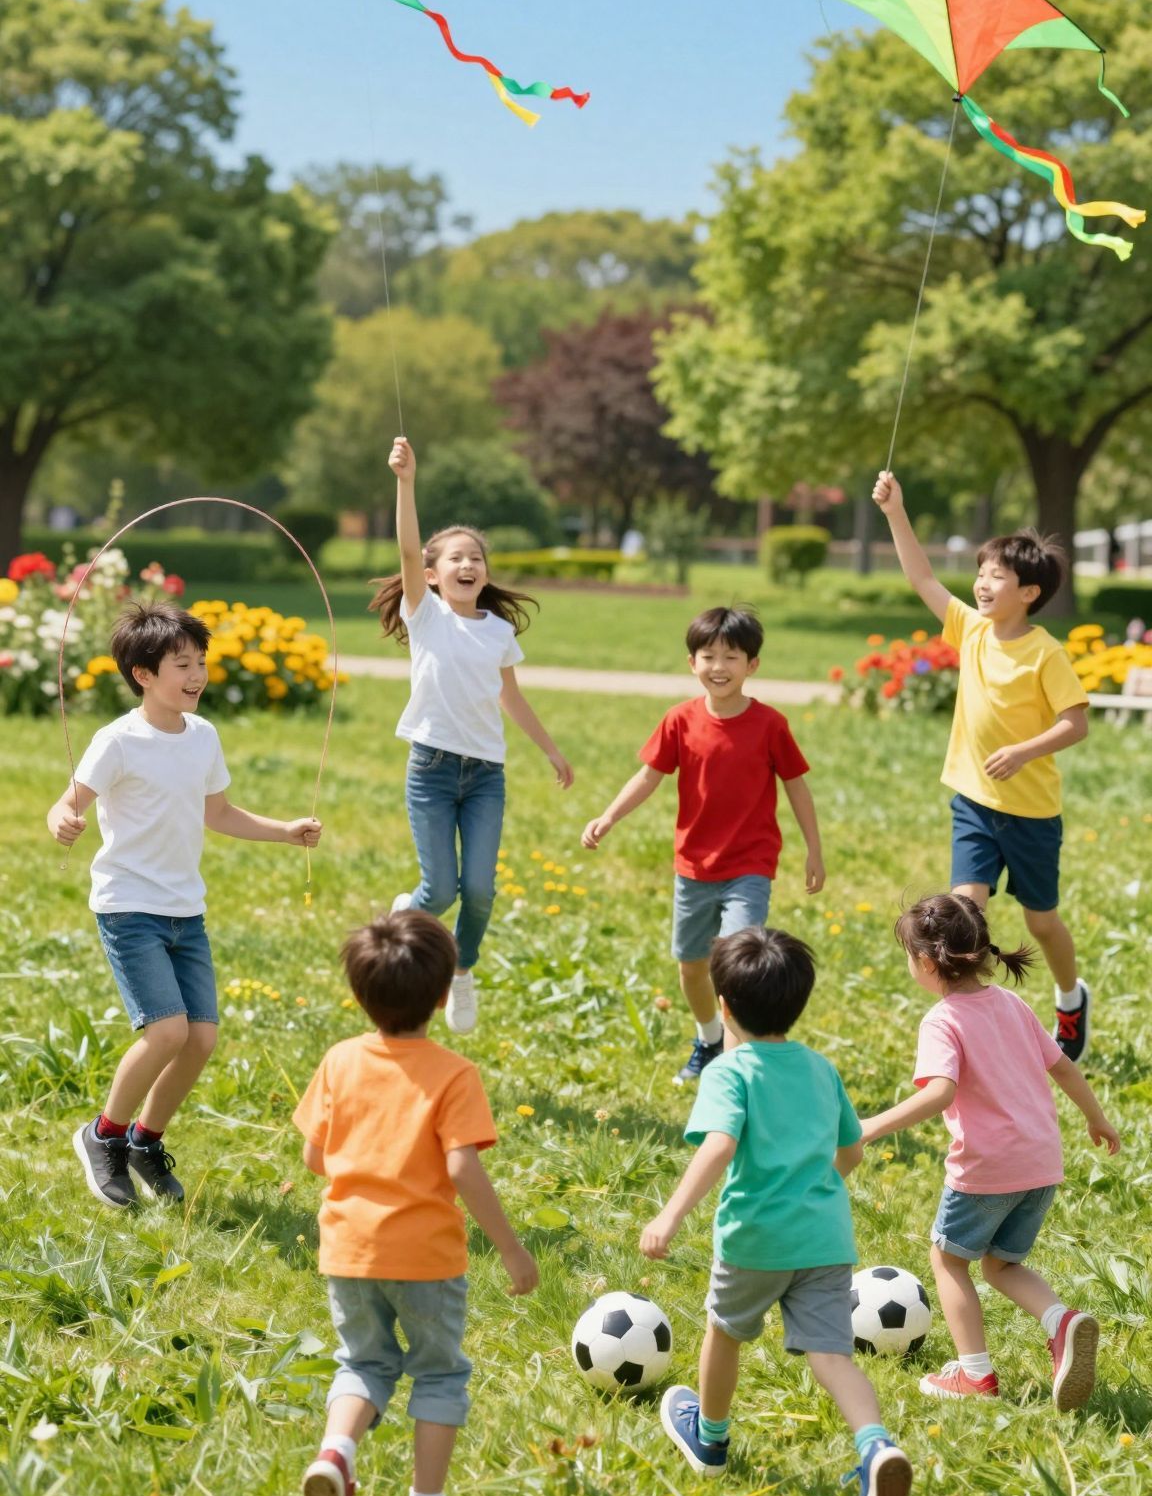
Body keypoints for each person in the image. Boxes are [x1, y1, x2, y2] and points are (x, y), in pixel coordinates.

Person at [46, 604, 321, 1210]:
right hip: (128, 906)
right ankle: (104, 1136)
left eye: (201, 662)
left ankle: (147, 1142)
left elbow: (217, 812)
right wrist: (65, 818)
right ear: (143, 674)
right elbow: (69, 802)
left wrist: (285, 830)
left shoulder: (203, 736)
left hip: (183, 910)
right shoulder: (117, 740)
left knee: (199, 1040)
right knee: (166, 1030)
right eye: (182, 665)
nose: (197, 675)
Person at [640, 927, 913, 1496]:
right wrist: (821, 1180)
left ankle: (709, 1441)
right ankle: (875, 1447)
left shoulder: (729, 1071)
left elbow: (719, 1145)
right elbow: (851, 1152)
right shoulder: (820, 1070)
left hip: (755, 1240)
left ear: (726, 1007)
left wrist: (671, 1214)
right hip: (825, 1238)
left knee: (725, 1331)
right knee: (832, 1355)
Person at [295, 909, 538, 1496]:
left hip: (347, 1249)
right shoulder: (452, 1074)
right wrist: (511, 1248)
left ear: (359, 994)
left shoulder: (340, 1060)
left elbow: (315, 1159)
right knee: (438, 1375)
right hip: (426, 1259)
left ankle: (335, 1454)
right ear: (439, 996)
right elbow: (461, 1164)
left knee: (363, 1364)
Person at [859, 893, 1120, 1408]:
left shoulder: (942, 1020)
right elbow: (1063, 1065)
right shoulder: (1013, 1004)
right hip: (1042, 1162)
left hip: (987, 1168)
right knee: (1001, 1265)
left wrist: (869, 1128)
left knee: (948, 1261)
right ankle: (1062, 1321)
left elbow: (939, 1093)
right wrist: (1097, 1118)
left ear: (928, 963)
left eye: (909, 955)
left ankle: (975, 1375)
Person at [873, 473, 1092, 1062]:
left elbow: (1077, 722)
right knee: (962, 911)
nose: (983, 583)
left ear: (1030, 592)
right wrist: (897, 511)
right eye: (981, 573)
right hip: (973, 802)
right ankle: (967, 1026)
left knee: (1042, 923)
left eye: (998, 576)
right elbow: (921, 576)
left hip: (1031, 813)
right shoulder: (970, 628)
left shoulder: (1045, 652)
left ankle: (1070, 999)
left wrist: (1024, 751)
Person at [373, 437, 574, 1036]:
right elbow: (409, 546)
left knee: (480, 890)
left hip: (486, 773)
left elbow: (510, 695)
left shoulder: (496, 631)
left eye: (476, 559)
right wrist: (406, 481)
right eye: (455, 559)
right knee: (439, 888)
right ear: (431, 577)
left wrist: (550, 749)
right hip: (432, 768)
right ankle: (401, 918)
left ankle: (461, 968)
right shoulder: (425, 615)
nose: (468, 565)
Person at [582, 607, 824, 1083]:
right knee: (692, 969)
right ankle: (709, 1039)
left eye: (731, 657)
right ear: (691, 662)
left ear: (752, 665)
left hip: (750, 866)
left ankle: (732, 1071)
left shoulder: (770, 724)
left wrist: (814, 849)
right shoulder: (679, 721)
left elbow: (797, 786)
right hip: (693, 867)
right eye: (708, 655)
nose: (719, 666)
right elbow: (649, 775)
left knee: (737, 967)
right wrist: (609, 816)